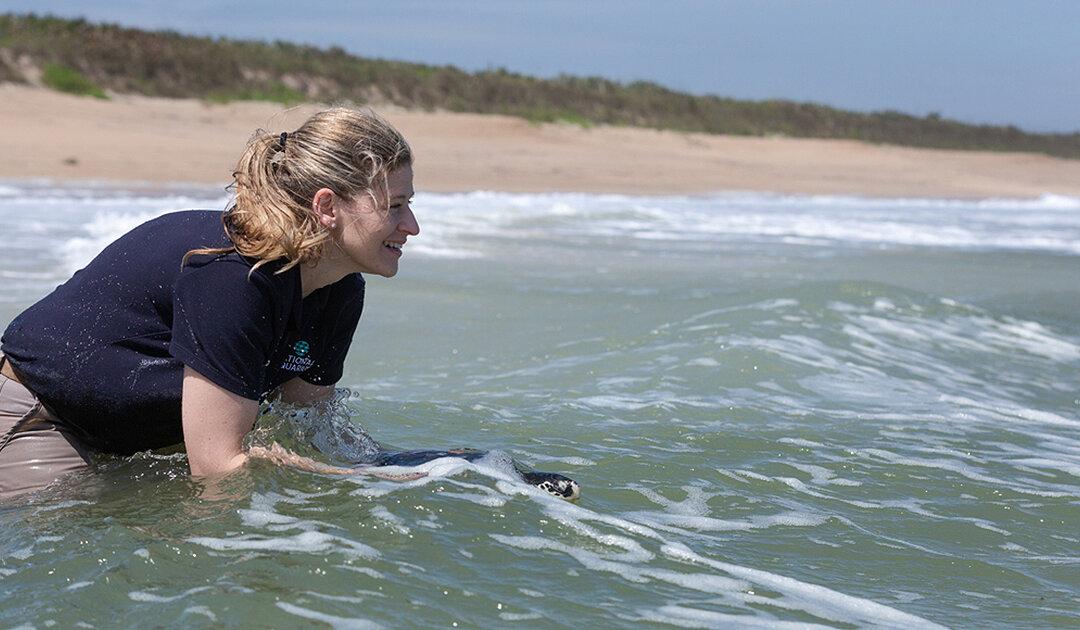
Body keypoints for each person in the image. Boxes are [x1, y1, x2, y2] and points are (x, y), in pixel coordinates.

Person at [0, 107, 418, 498]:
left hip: (140, 432)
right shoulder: (235, 276)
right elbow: (218, 470)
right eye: (395, 206)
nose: (412, 227)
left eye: (410, 205)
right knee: (60, 535)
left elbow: (305, 425)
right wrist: (358, 480)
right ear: (327, 206)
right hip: (43, 412)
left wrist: (404, 467)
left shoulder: (341, 290)